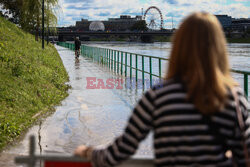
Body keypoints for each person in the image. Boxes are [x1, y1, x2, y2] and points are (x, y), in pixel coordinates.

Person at [74, 12, 250, 167]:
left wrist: (89, 153)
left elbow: (120, 151)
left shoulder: (157, 96)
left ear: (178, 47)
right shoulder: (234, 99)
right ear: (219, 49)